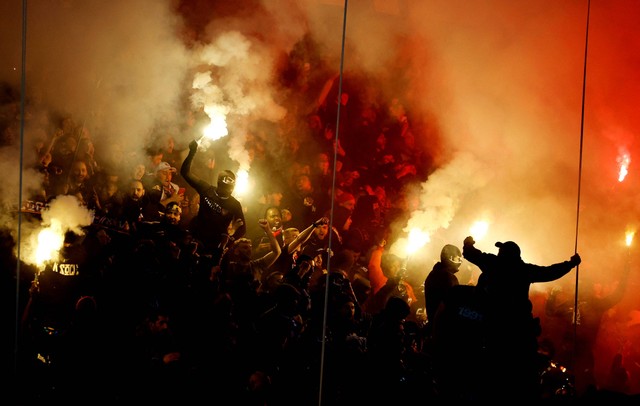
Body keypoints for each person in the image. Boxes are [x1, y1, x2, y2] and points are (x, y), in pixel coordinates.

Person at [461, 236, 581, 402]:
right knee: (521, 374)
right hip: (520, 331)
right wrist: (570, 263)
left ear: (503, 253)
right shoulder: (524, 269)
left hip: (495, 329)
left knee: (494, 372)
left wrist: (468, 243)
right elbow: (550, 272)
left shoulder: (492, 263)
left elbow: (470, 254)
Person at [180, 139, 246, 260]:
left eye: (229, 187)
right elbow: (185, 173)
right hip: (196, 239)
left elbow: (243, 229)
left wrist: (228, 241)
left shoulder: (234, 204)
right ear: (218, 183)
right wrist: (192, 152)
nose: (226, 190)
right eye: (224, 187)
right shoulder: (207, 189)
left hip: (215, 247)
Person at [423, 244, 462, 329]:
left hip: (436, 325)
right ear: (450, 258)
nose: (460, 262)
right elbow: (454, 303)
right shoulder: (447, 277)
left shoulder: (434, 274)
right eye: (458, 259)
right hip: (446, 326)